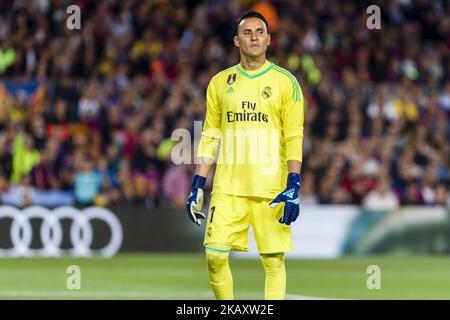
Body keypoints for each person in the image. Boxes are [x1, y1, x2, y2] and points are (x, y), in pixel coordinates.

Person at [186, 11, 304, 300]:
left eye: (259, 32)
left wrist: (294, 183)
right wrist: (198, 185)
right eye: (247, 32)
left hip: (271, 188)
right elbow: (211, 135)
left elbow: (293, 136)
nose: (254, 37)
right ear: (236, 40)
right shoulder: (219, 82)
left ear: (268, 39)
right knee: (214, 256)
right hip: (229, 187)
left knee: (273, 261)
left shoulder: (285, 82)